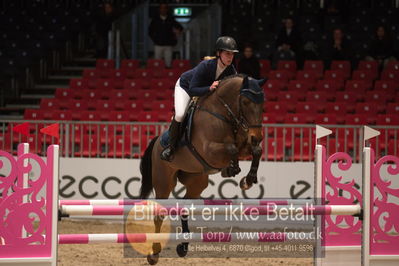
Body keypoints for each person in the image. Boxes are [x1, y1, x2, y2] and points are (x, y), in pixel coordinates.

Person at [160, 36, 239, 161]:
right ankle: (171, 147)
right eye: (227, 53)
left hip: (206, 93)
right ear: (219, 53)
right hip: (186, 87)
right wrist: (209, 88)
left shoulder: (231, 71)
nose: (230, 57)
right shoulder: (206, 65)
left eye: (232, 54)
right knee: (180, 115)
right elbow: (193, 89)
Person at [149, 3, 183, 68]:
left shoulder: (170, 19)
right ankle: (158, 77)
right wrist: (155, 39)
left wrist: (176, 34)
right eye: (161, 8)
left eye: (165, 8)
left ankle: (168, 76)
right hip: (158, 44)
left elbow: (180, 28)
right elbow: (150, 31)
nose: (163, 10)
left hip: (168, 44)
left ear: (167, 9)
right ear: (159, 9)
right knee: (157, 63)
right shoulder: (155, 19)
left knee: (168, 63)